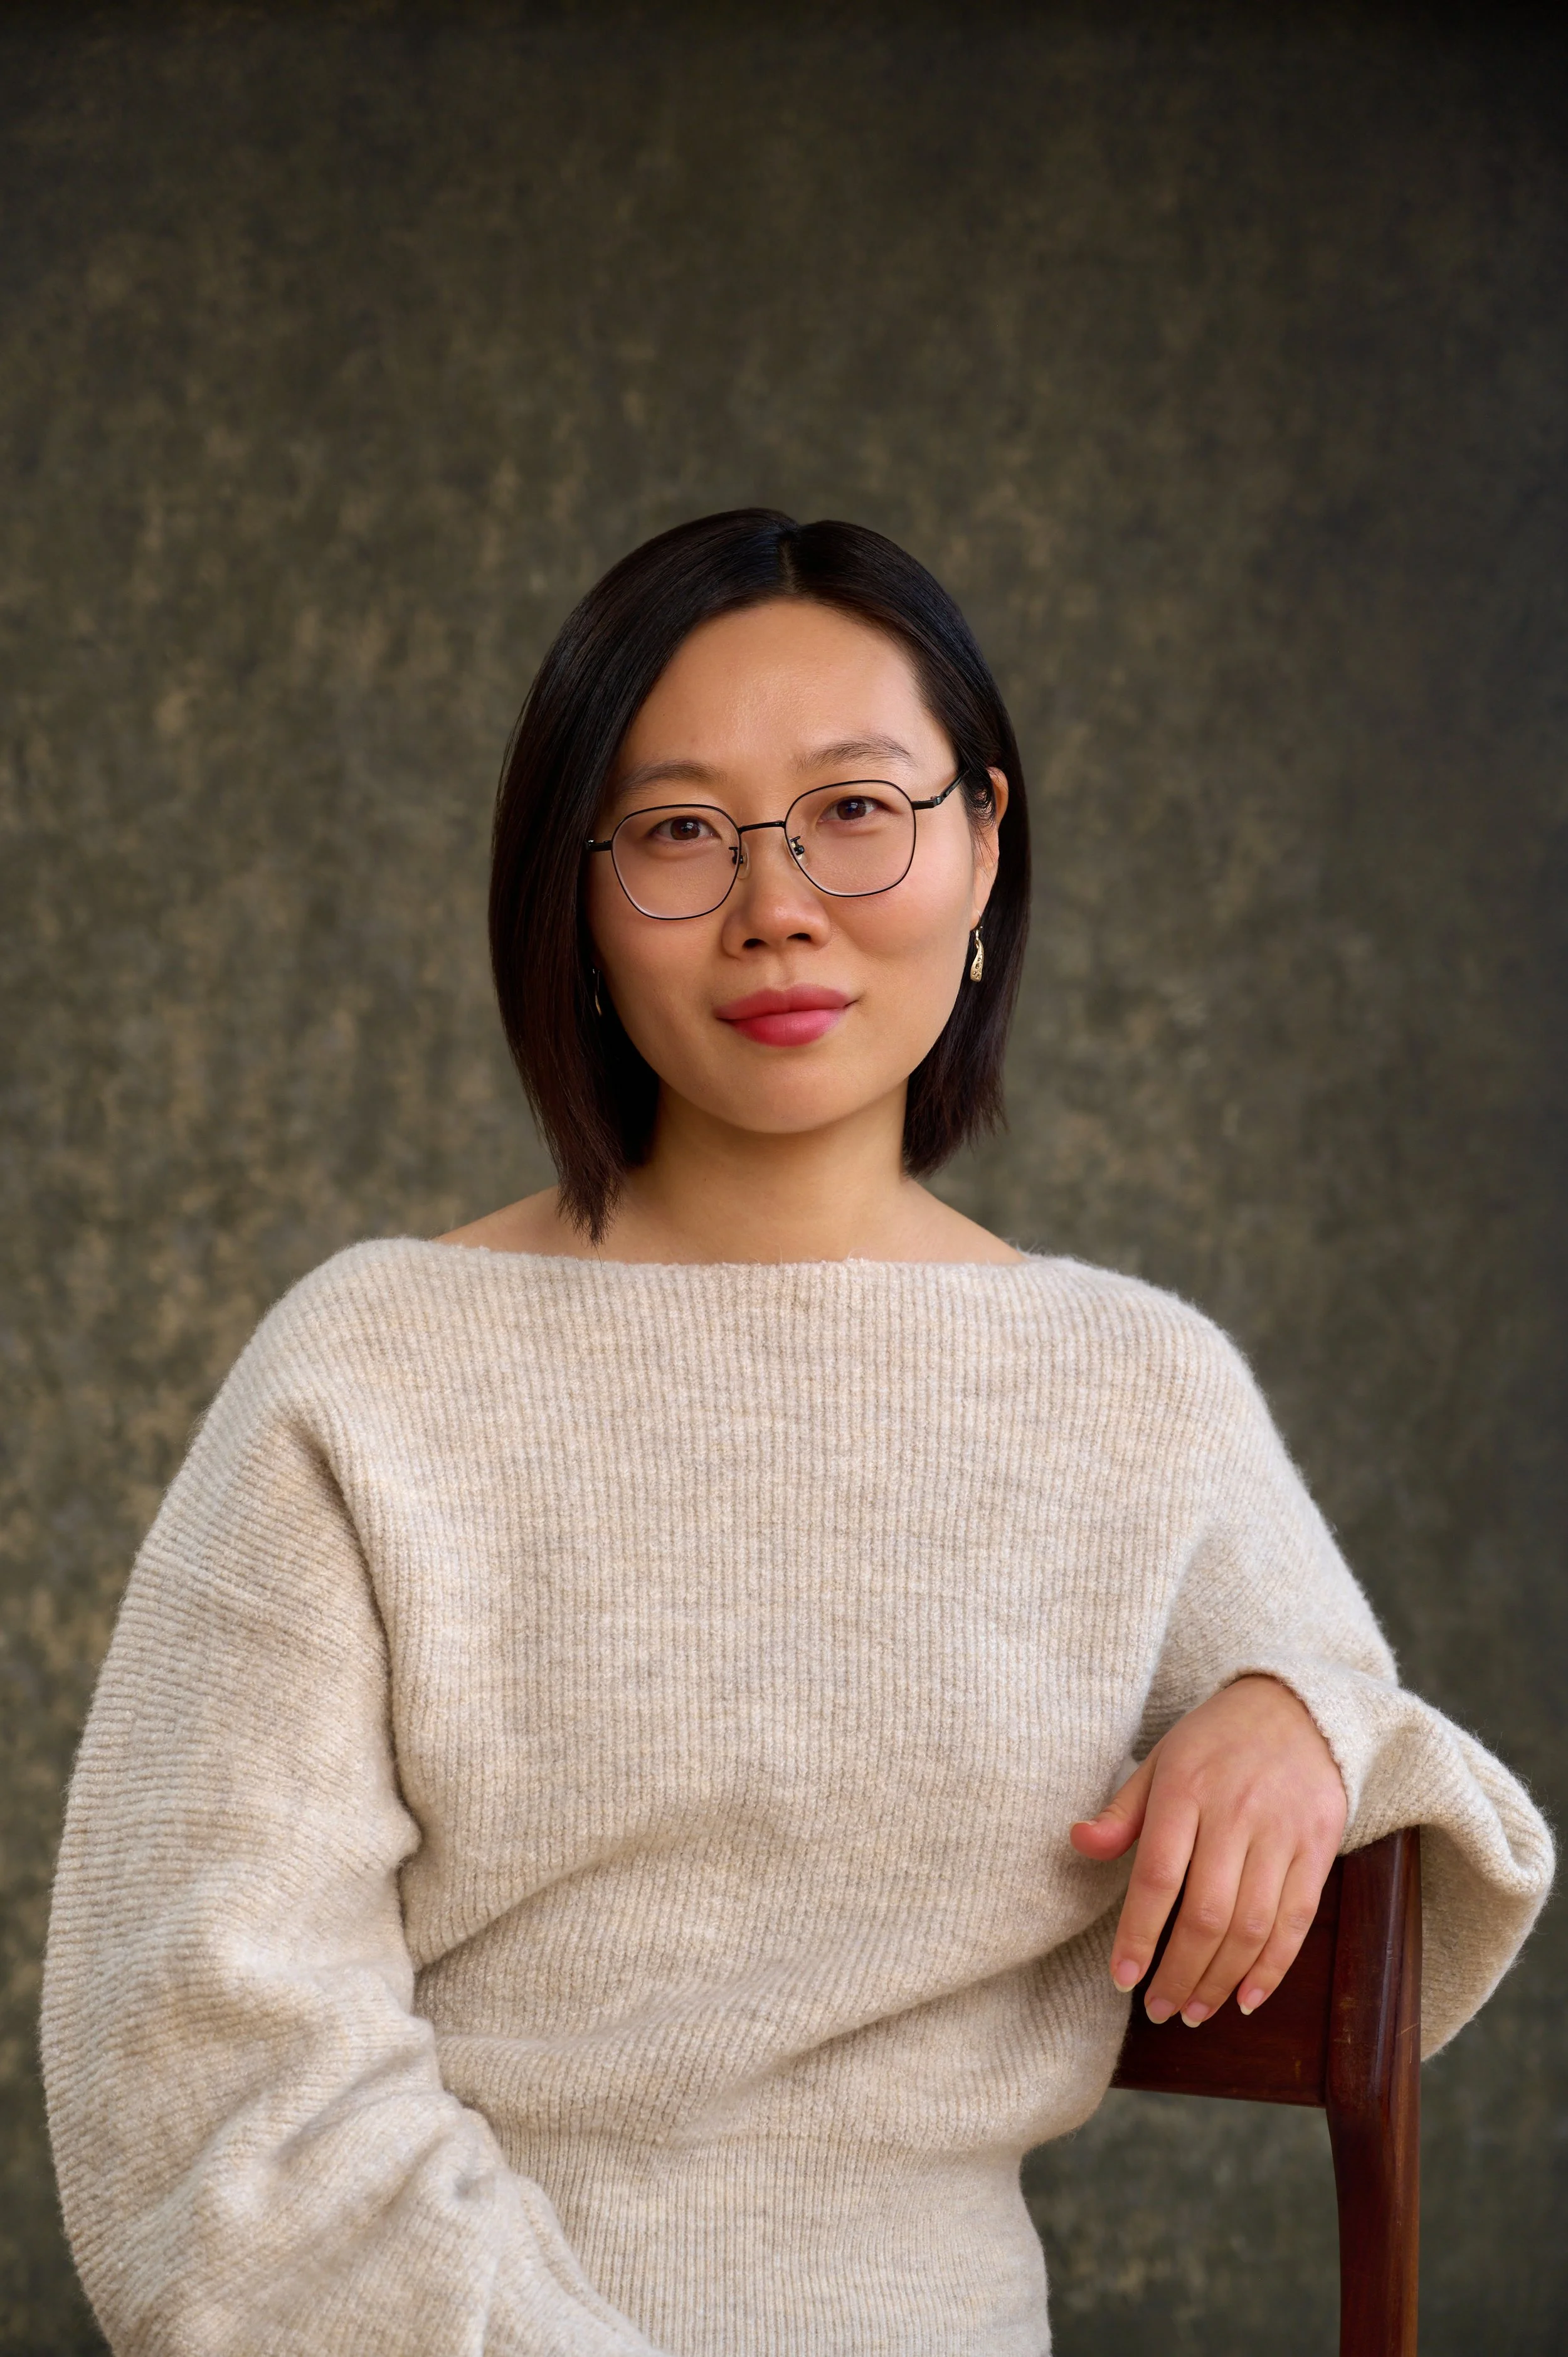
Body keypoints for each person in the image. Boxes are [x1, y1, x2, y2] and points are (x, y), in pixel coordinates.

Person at [43, 511, 1551, 2356]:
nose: (775, 902)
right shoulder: (369, 1372)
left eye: (858, 807)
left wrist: (1302, 1715)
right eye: (680, 831)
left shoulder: (1135, 1387)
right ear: (574, 895)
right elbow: (203, 2089)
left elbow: (1424, 1814)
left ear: (983, 840)